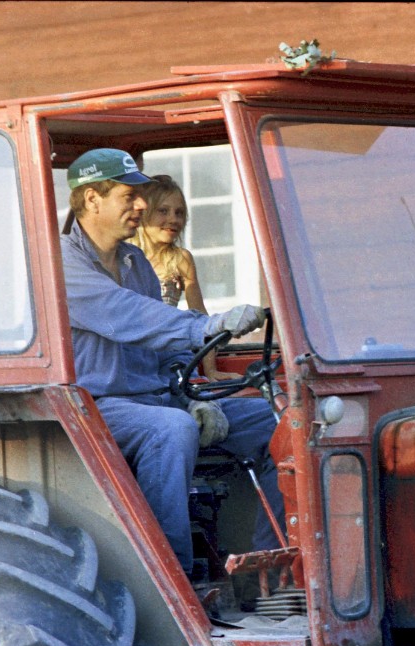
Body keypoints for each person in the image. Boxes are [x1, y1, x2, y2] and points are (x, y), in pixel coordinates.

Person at [59, 148, 285, 579]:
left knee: (280, 420)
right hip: (95, 406)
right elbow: (128, 316)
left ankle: (271, 571)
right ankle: (174, 581)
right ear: (91, 199)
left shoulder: (135, 260)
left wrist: (191, 394)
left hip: (157, 397)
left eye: (142, 196)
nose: (141, 206)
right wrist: (209, 324)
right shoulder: (62, 263)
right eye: (130, 196)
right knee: (171, 429)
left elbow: (166, 349)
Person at [130, 174, 236, 381]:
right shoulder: (125, 256)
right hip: (136, 352)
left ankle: (202, 408)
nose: (173, 219)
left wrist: (211, 370)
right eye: (163, 211)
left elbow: (200, 316)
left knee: (184, 377)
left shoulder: (180, 259)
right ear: (143, 213)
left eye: (179, 213)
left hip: (170, 349)